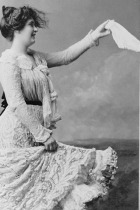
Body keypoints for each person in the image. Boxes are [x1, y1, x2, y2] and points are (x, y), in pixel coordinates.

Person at [0, 5, 117, 210]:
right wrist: (43, 135)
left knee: (41, 190)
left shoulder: (36, 58)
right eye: (31, 25)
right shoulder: (8, 60)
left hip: (36, 130)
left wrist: (92, 38)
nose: (35, 29)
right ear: (17, 29)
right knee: (20, 195)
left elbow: (64, 57)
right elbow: (17, 104)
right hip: (17, 132)